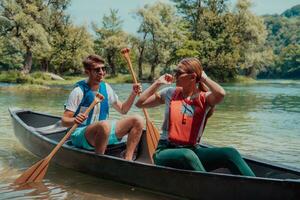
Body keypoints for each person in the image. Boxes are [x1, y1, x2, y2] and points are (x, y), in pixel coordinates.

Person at [135, 57, 255, 176]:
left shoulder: (205, 98)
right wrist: (157, 83)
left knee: (230, 153)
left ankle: (256, 187)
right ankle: (209, 186)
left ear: (192, 77)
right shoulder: (170, 93)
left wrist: (205, 78)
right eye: (175, 72)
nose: (175, 75)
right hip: (164, 151)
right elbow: (140, 103)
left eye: (179, 73)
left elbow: (221, 93)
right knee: (187, 155)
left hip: (192, 150)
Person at [62, 55, 143, 160]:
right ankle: (100, 160)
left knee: (138, 119)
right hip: (80, 135)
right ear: (87, 72)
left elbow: (123, 109)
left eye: (103, 69)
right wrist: (74, 120)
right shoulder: (78, 91)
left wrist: (133, 93)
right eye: (97, 70)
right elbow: (64, 121)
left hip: (104, 131)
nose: (101, 72)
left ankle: (128, 160)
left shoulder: (106, 88)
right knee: (104, 125)